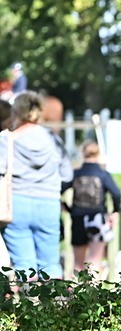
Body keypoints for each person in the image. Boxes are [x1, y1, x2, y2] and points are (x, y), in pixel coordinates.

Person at [0, 92, 71, 278]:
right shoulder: (53, 139)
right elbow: (67, 174)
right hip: (49, 203)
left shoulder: (7, 139)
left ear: (15, 112)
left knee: (24, 265)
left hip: (17, 204)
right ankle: (56, 305)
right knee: (51, 264)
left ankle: (29, 306)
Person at [69, 141, 121, 279]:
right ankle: (92, 295)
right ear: (98, 155)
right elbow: (116, 194)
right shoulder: (103, 175)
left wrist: (67, 207)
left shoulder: (75, 174)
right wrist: (115, 211)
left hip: (78, 218)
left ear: (82, 154)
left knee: (78, 263)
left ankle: (73, 294)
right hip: (97, 218)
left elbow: (58, 189)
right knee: (94, 260)